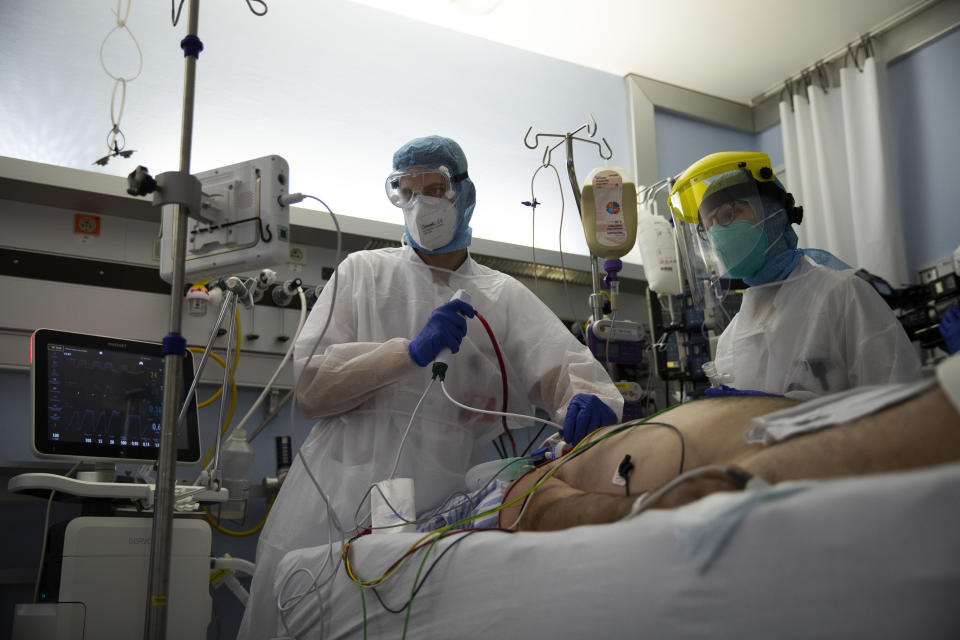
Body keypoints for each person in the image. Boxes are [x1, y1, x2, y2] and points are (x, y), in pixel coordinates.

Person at [237, 135, 622, 639]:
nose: (421, 205)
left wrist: (589, 402)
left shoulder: (501, 296)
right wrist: (408, 353)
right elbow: (311, 387)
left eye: (435, 189)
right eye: (407, 192)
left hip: (445, 506)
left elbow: (567, 371)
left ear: (465, 195)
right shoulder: (363, 273)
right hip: (333, 500)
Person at [500, 353, 960, 532]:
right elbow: (528, 508)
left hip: (807, 420)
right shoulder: (537, 473)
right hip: (740, 468)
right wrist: (643, 508)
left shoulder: (590, 442)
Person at [669, 151, 922, 397]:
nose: (718, 234)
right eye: (708, 226)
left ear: (772, 213)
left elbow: (898, 401)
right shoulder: (729, 338)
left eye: (728, 214)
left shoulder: (843, 294)